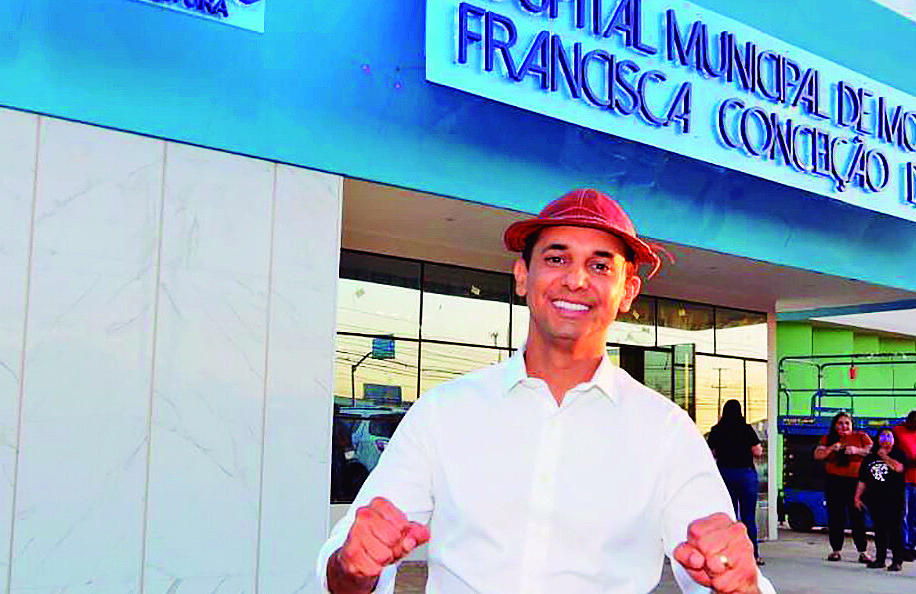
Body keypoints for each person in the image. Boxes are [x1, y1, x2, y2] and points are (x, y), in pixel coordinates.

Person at [316, 188, 775, 594]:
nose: (576, 280)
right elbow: (343, 573)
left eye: (600, 265)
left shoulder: (666, 431)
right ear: (522, 276)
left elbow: (720, 570)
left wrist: (739, 581)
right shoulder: (443, 413)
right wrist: (356, 565)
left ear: (628, 291)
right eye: (557, 259)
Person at [708, 399, 766, 566]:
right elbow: (757, 451)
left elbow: (711, 453)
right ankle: (753, 554)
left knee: (728, 516)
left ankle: (729, 555)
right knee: (748, 516)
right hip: (745, 474)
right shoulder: (746, 429)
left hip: (725, 473)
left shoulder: (716, 430)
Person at [814, 411, 873, 563]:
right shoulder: (827, 438)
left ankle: (862, 551)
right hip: (834, 482)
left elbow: (872, 452)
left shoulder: (861, 436)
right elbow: (817, 455)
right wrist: (831, 448)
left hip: (856, 483)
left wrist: (857, 450)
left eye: (847, 423)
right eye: (840, 423)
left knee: (857, 516)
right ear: (835, 426)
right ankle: (836, 550)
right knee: (836, 516)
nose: (844, 426)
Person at [853, 428, 907, 571]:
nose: (885, 439)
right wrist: (857, 497)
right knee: (879, 529)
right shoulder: (870, 458)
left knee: (895, 529)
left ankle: (897, 560)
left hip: (895, 498)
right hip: (875, 498)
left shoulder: (899, 454)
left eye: (889, 436)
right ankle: (880, 559)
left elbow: (899, 468)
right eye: (883, 436)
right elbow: (862, 479)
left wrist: (884, 457)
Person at [891, 405, 916, 561]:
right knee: (902, 515)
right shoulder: (897, 431)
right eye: (913, 423)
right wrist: (909, 462)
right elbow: (893, 453)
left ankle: (911, 546)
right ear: (907, 420)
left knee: (915, 515)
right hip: (903, 480)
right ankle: (901, 547)